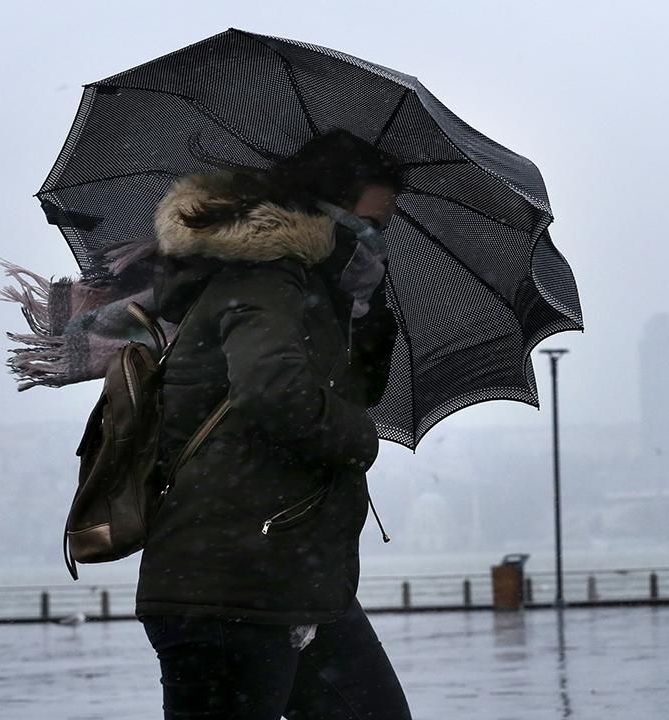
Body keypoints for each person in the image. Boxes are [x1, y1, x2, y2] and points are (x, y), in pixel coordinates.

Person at [135, 130, 411, 720]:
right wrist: (362, 441)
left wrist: (365, 316)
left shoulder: (315, 293)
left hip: (289, 578)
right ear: (323, 211)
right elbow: (273, 391)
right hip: (233, 583)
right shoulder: (266, 279)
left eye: (383, 227)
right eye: (366, 224)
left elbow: (341, 392)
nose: (375, 240)